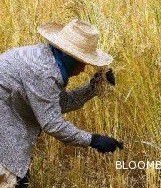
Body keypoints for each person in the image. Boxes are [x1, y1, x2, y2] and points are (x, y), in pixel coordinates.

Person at [0, 19, 123, 188]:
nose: (83, 68)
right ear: (68, 55)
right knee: (9, 177)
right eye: (81, 61)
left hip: (9, 120)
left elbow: (59, 103)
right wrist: (93, 140)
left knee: (19, 176)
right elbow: (52, 123)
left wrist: (92, 88)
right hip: (5, 127)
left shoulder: (49, 58)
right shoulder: (44, 71)